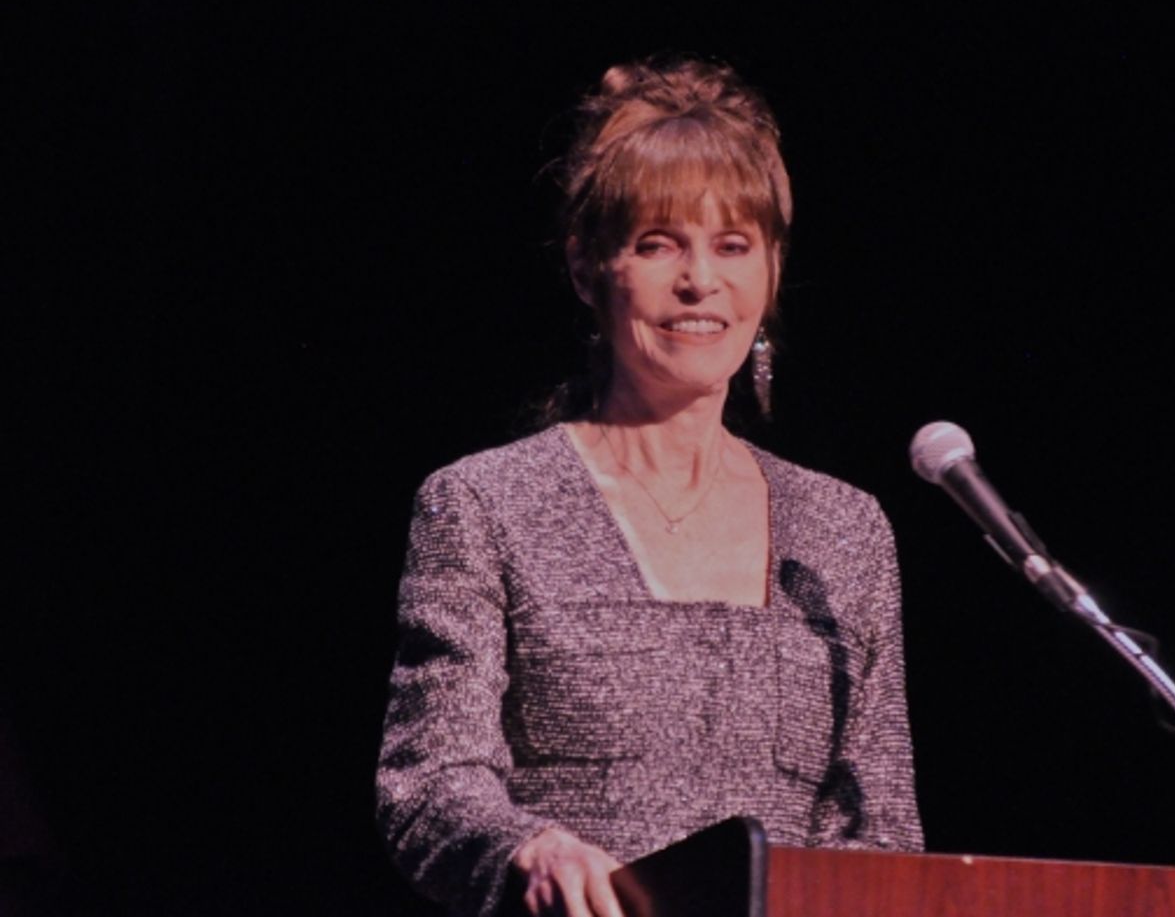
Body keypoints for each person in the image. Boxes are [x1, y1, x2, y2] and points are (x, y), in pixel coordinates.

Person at [376, 55, 923, 917]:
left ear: (771, 271)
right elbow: (430, 784)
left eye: (732, 246)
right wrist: (530, 848)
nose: (700, 280)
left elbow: (881, 831)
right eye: (658, 243)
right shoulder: (485, 504)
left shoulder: (844, 529)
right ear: (589, 268)